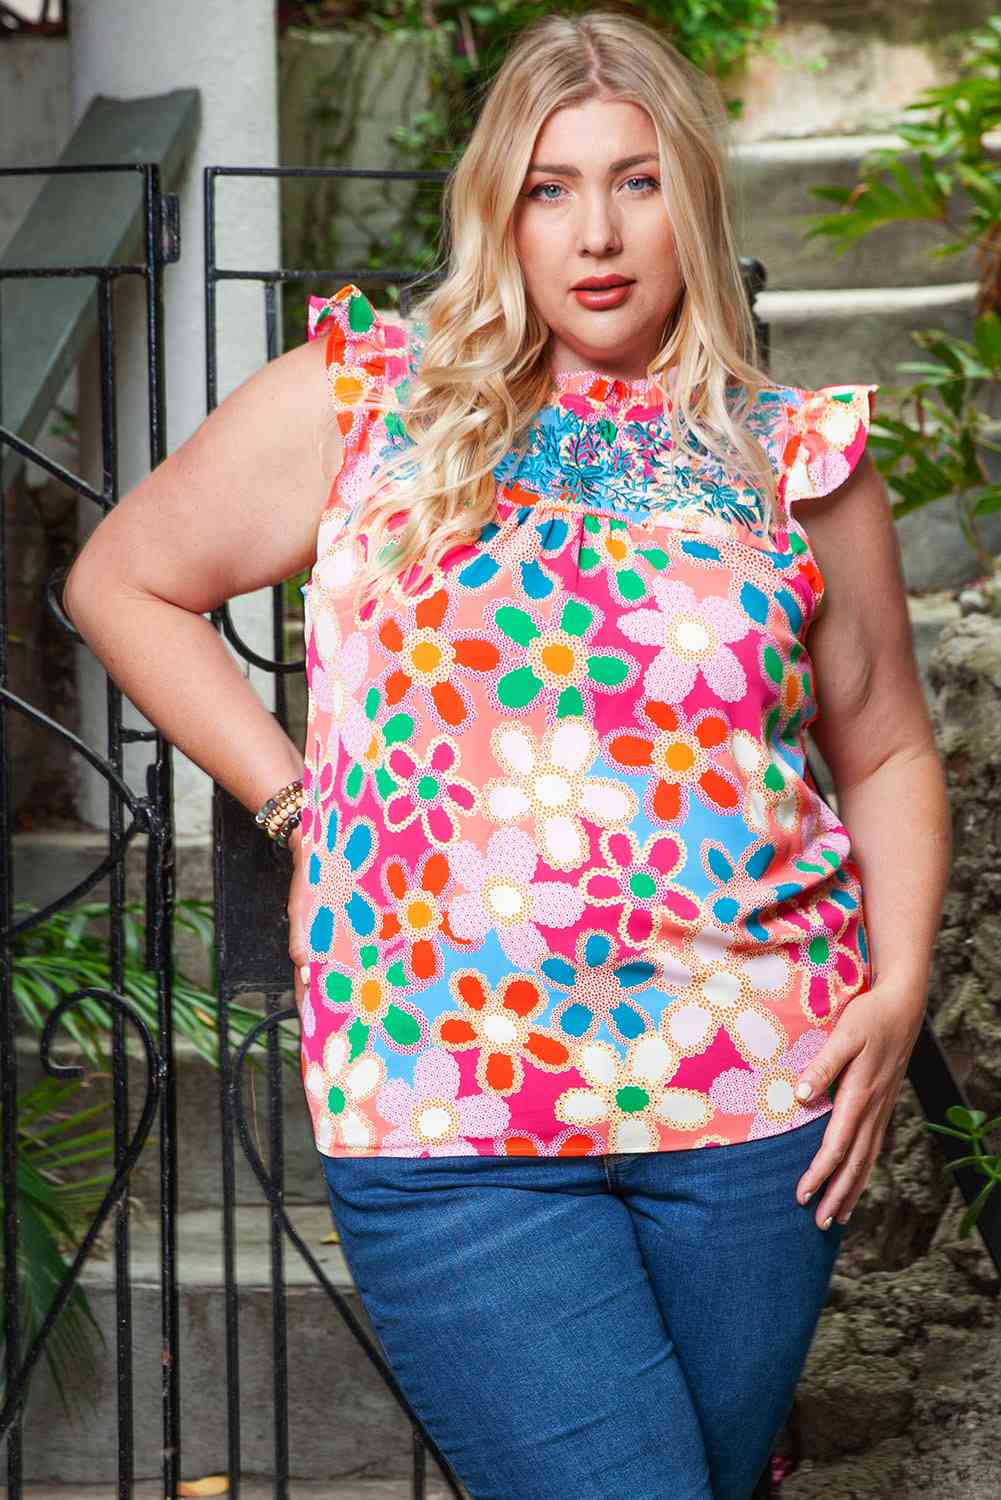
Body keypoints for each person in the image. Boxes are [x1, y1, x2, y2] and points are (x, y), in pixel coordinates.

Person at [64, 8, 951, 1498]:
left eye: (636, 182)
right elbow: (124, 582)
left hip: (756, 1105)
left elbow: (886, 749)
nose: (595, 233)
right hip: (448, 1104)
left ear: (693, 200)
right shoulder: (368, 402)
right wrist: (295, 803)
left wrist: (902, 980)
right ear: (501, 210)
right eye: (551, 188)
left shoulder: (790, 455)